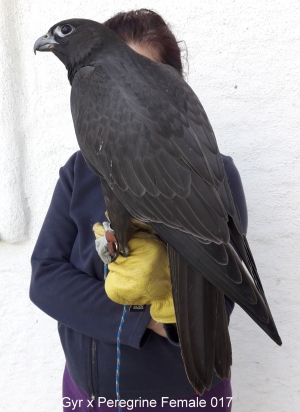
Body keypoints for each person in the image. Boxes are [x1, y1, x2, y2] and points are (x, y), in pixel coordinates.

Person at [30, 9, 248, 412]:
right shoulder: (79, 171)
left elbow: (218, 308)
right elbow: (45, 277)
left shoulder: (218, 175)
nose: (124, 95)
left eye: (138, 78)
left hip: (182, 400)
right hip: (88, 398)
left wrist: (170, 319)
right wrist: (134, 318)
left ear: (175, 88)